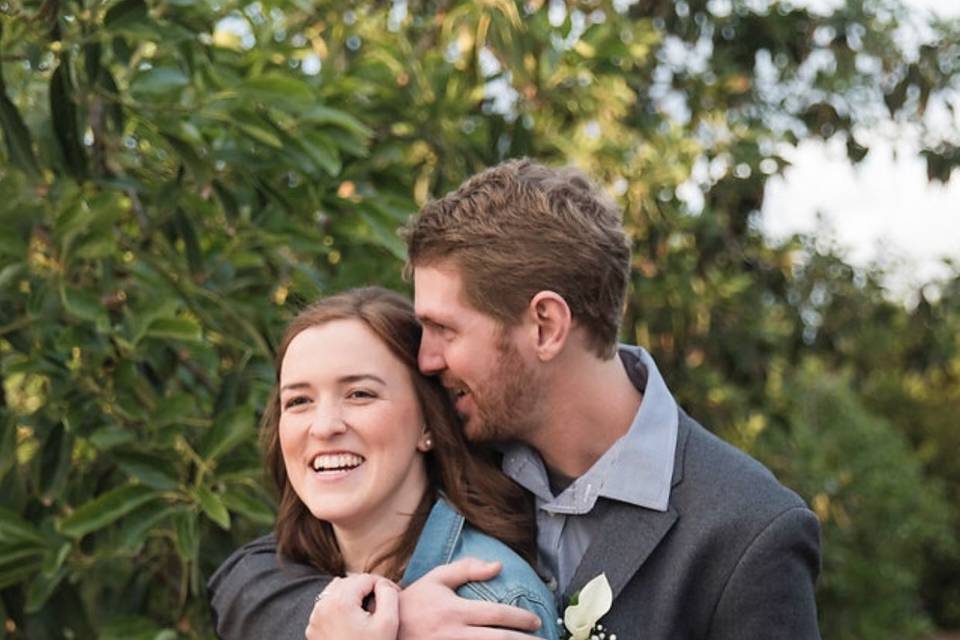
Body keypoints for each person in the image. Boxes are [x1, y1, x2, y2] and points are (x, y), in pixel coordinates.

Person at [209, 159, 822, 639]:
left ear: (545, 327)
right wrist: (382, 620)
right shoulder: (464, 429)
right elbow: (250, 573)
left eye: (445, 330)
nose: (426, 360)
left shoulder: (748, 532)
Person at [208, 287, 560, 640]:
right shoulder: (290, 572)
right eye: (299, 401)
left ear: (427, 424)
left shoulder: (488, 607)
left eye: (360, 394)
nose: (325, 426)